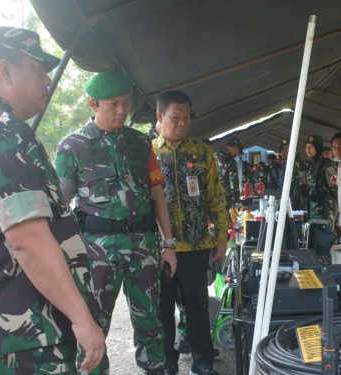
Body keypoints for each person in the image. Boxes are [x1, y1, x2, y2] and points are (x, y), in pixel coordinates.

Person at [0, 26, 105, 374]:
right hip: (33, 335)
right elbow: (28, 239)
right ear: (4, 70)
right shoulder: (3, 130)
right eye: (38, 68)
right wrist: (81, 319)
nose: (47, 79)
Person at [54, 70, 177, 375]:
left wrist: (169, 245)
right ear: (92, 104)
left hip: (143, 246)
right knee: (94, 326)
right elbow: (59, 205)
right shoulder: (72, 146)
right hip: (96, 250)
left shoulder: (141, 143)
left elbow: (157, 194)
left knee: (150, 321)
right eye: (113, 104)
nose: (122, 111)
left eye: (126, 103)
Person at [153, 90, 228, 375]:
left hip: (196, 245)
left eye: (187, 117)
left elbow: (216, 197)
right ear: (160, 117)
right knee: (162, 312)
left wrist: (222, 236)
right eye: (176, 117)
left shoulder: (201, 152)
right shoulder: (148, 152)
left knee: (197, 307)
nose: (182, 123)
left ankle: (202, 363)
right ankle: (167, 363)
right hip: (161, 248)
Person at [303, 135, 338, 228]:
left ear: (318, 148)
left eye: (311, 147)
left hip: (325, 208)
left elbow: (335, 186)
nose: (308, 149)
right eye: (306, 147)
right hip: (313, 207)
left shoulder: (327, 164)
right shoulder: (309, 165)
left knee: (324, 237)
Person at [216, 138, 243, 208]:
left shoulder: (214, 156)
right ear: (236, 148)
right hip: (225, 196)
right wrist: (236, 198)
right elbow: (234, 182)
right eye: (238, 152)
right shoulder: (230, 162)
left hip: (212, 194)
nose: (237, 154)